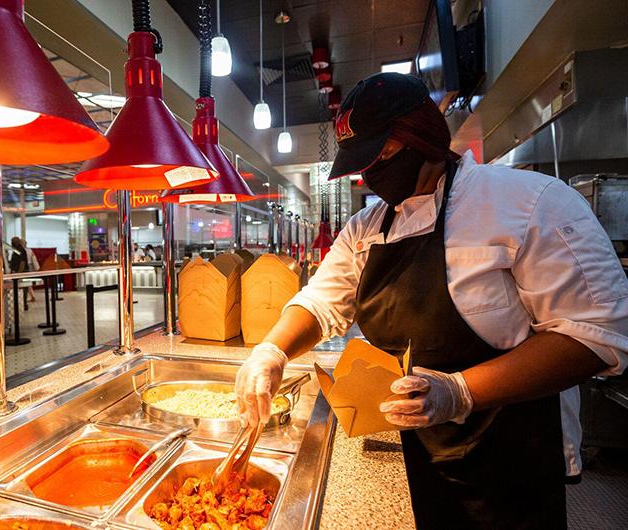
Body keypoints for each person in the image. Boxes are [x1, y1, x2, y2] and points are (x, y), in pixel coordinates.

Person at [234, 73, 628, 529]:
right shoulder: (366, 228)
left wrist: (459, 392)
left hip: (510, 460)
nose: (372, 174)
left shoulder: (528, 203)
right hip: (417, 446)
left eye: (381, 155)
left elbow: (596, 335)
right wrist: (273, 351)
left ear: (421, 137)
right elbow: (321, 302)